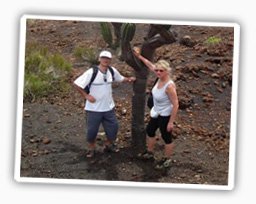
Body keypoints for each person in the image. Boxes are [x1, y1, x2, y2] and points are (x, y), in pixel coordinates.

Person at [74, 50, 136, 158]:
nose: (105, 60)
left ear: (110, 60)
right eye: (103, 58)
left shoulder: (112, 71)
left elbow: (121, 79)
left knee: (113, 128)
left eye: (107, 59)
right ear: (99, 59)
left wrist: (130, 79)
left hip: (108, 107)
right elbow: (77, 84)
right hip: (93, 109)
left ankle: (108, 144)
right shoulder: (91, 72)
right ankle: (92, 149)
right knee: (92, 131)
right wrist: (86, 96)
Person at [133, 50, 179, 169]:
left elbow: (175, 104)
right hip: (156, 111)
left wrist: (171, 122)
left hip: (165, 114)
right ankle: (150, 152)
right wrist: (139, 56)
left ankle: (167, 159)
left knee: (166, 137)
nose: (158, 72)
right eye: (157, 70)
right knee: (150, 131)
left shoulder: (169, 86)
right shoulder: (159, 77)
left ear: (167, 71)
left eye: (161, 71)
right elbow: (149, 64)